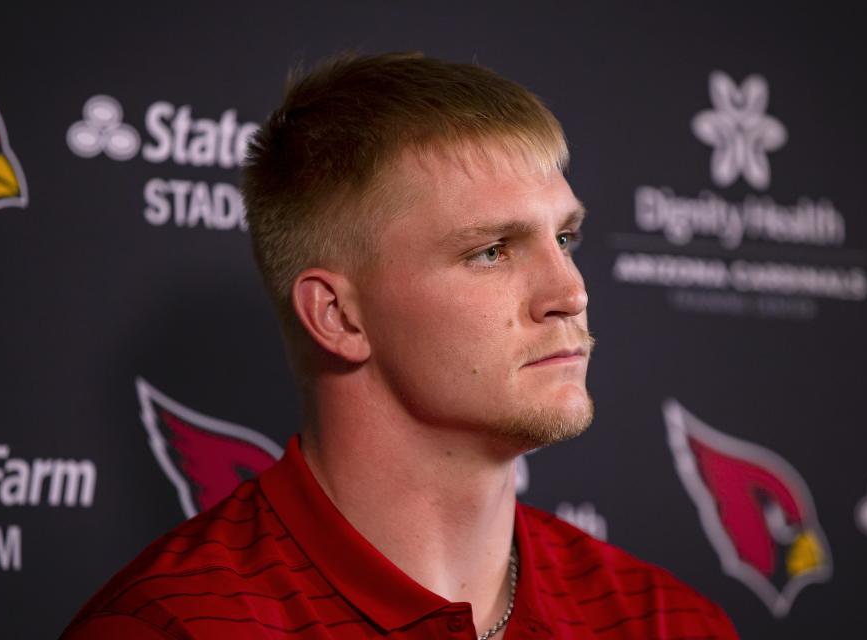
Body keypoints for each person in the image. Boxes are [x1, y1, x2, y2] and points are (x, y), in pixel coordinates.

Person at [62, 52, 739, 639]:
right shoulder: (172, 629)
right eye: (493, 251)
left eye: (564, 239)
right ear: (337, 317)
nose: (570, 291)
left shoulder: (668, 622)